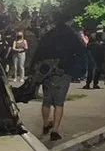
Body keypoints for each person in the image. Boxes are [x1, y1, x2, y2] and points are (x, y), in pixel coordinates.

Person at [29, 12, 87, 141]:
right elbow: (81, 51)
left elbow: (38, 52)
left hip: (47, 71)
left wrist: (34, 68)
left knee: (46, 100)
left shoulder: (48, 35)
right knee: (59, 102)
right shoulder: (71, 35)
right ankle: (55, 130)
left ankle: (45, 124)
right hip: (63, 71)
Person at [85, 24, 105, 89]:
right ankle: (88, 83)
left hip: (101, 55)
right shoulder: (92, 35)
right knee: (90, 69)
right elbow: (88, 45)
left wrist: (103, 44)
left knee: (98, 70)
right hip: (92, 55)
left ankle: (95, 83)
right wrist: (94, 44)